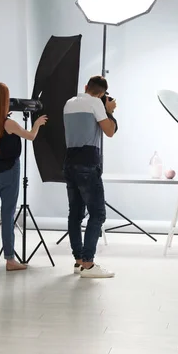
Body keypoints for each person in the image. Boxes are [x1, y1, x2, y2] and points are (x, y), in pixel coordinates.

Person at [0, 82, 47, 272]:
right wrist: (36, 124)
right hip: (9, 171)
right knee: (7, 214)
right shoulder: (9, 123)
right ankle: (10, 260)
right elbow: (30, 136)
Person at [63, 75, 117, 278]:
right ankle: (88, 263)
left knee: (75, 215)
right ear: (103, 94)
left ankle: (78, 261)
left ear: (86, 87)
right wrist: (109, 111)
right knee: (97, 214)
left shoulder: (68, 104)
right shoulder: (96, 103)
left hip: (69, 161)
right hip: (88, 162)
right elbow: (110, 131)